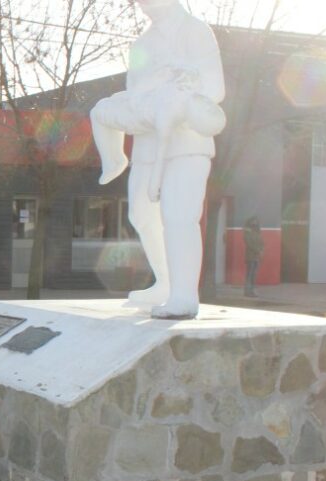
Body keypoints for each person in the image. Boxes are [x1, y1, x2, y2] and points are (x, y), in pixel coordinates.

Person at [90, 0, 226, 319]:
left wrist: (183, 83)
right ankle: (165, 283)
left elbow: (215, 88)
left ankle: (184, 295)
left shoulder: (195, 31)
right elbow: (135, 90)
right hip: (148, 141)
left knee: (179, 215)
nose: (140, 3)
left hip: (188, 140)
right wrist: (156, 87)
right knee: (141, 214)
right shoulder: (142, 43)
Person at [242, 216, 263, 297]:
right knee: (249, 275)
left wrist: (261, 250)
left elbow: (262, 242)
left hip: (257, 257)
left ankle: (252, 291)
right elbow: (249, 243)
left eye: (256, 221)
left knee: (254, 275)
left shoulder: (258, 232)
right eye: (253, 221)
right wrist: (258, 250)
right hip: (250, 257)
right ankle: (247, 291)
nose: (255, 223)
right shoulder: (247, 232)